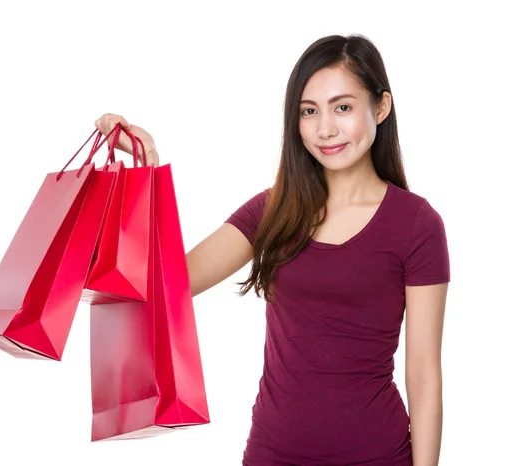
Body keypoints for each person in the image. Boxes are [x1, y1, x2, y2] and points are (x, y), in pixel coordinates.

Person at [94, 34, 450, 466]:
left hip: (375, 454)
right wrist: (145, 173)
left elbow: (424, 375)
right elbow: (168, 285)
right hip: (274, 453)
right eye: (308, 111)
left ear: (380, 107)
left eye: (343, 107)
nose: (325, 129)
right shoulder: (274, 209)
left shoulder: (416, 224)